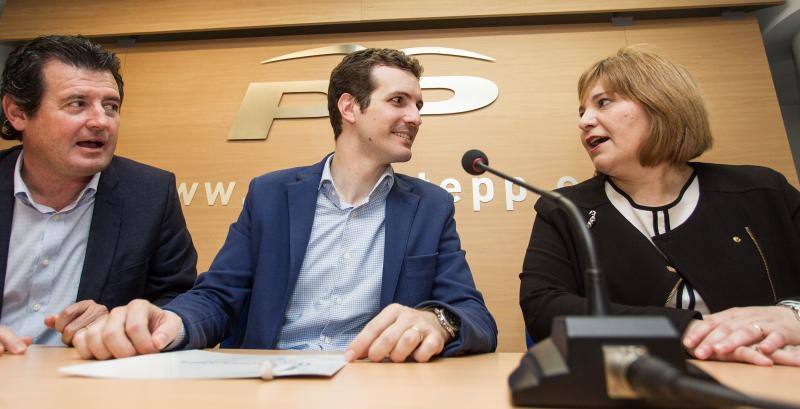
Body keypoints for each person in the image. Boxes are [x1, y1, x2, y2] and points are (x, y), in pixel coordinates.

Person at [73, 48, 497, 362]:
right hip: (269, 383)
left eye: (418, 105)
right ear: (349, 107)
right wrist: (174, 324)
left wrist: (438, 321)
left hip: (374, 384)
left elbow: (473, 314)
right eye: (398, 101)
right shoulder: (271, 194)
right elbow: (220, 295)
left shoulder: (431, 206)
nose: (416, 117)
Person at [520, 46, 800, 366]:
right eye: (581, 111)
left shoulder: (763, 191)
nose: (585, 121)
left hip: (777, 374)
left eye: (603, 102)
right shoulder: (564, 209)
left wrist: (794, 315)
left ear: (662, 103)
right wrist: (683, 331)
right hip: (637, 383)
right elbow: (545, 309)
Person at [0, 35, 197, 355]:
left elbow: (177, 301)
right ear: (18, 112)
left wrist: (122, 322)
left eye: (111, 107)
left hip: (90, 379)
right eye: (77, 104)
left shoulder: (149, 193)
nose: (100, 122)